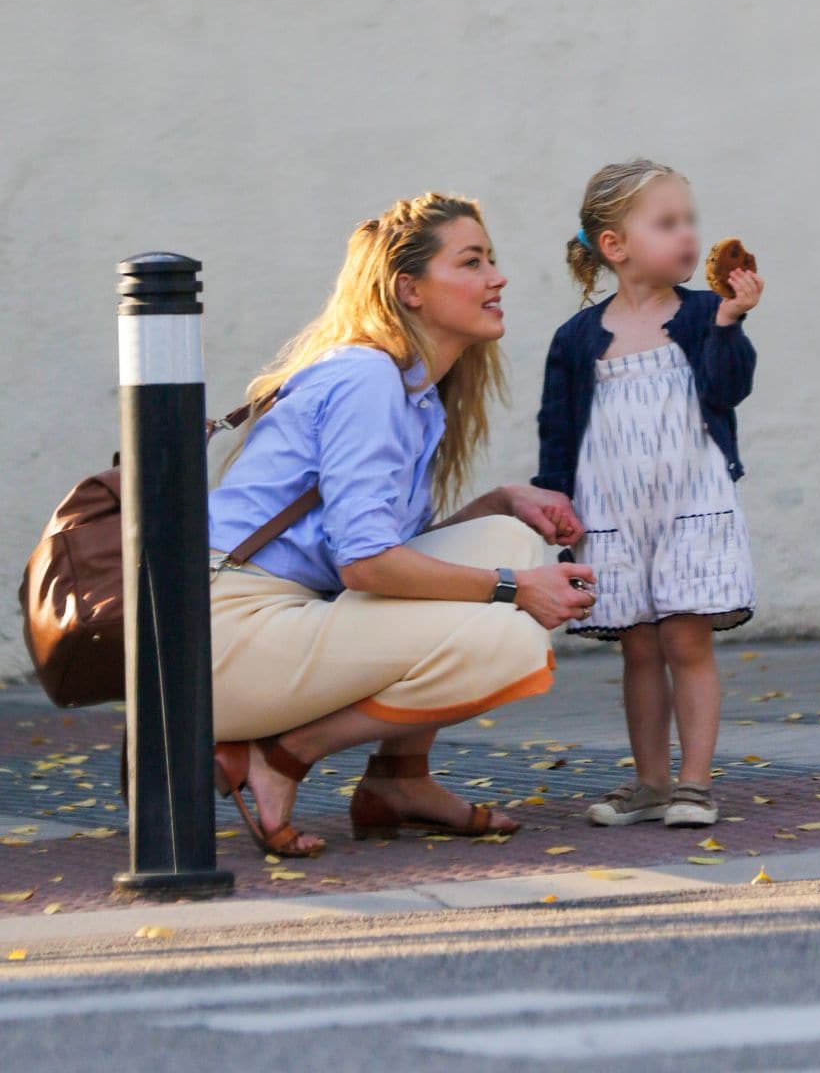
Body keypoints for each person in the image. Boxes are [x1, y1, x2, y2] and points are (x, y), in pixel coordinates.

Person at [208, 192, 595, 857]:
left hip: (280, 618)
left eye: (491, 260)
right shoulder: (368, 381)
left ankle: (398, 781)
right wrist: (513, 589)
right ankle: (283, 754)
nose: (497, 277)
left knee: (513, 536)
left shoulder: (409, 393)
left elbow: (390, 553)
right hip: (228, 636)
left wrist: (500, 502)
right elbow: (367, 568)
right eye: (472, 262)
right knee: (504, 638)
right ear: (409, 289)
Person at [533, 159, 763, 828]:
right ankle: (650, 782)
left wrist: (729, 322)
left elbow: (726, 391)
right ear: (614, 246)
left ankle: (693, 783)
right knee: (637, 644)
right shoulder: (577, 338)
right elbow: (557, 425)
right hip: (611, 509)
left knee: (685, 641)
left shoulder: (701, 315)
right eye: (667, 223)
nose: (687, 236)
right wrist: (555, 499)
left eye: (689, 220)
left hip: (690, 502)